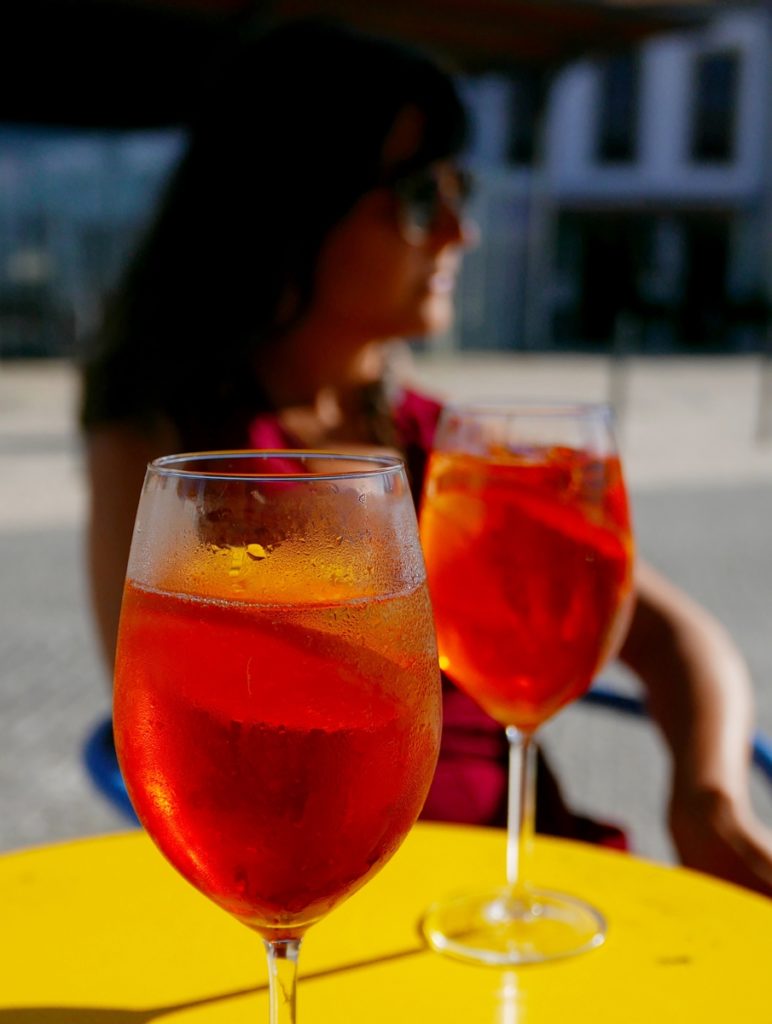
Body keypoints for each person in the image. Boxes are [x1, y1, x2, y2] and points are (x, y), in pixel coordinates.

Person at [80, 17, 772, 896]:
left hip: (508, 872)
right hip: (322, 877)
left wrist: (706, 801)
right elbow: (186, 725)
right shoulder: (175, 456)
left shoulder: (446, 447)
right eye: (417, 195)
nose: (458, 232)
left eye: (460, 189)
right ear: (291, 200)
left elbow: (670, 634)